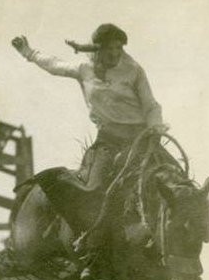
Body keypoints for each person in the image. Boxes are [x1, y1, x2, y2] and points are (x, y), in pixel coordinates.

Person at [12, 24, 168, 260]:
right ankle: (90, 246)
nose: (115, 53)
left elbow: (151, 105)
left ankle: (178, 250)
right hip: (108, 141)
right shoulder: (84, 69)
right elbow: (55, 66)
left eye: (119, 48)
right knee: (94, 191)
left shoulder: (134, 70)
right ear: (97, 50)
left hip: (142, 139)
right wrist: (29, 53)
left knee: (177, 183)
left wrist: (156, 128)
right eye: (109, 48)